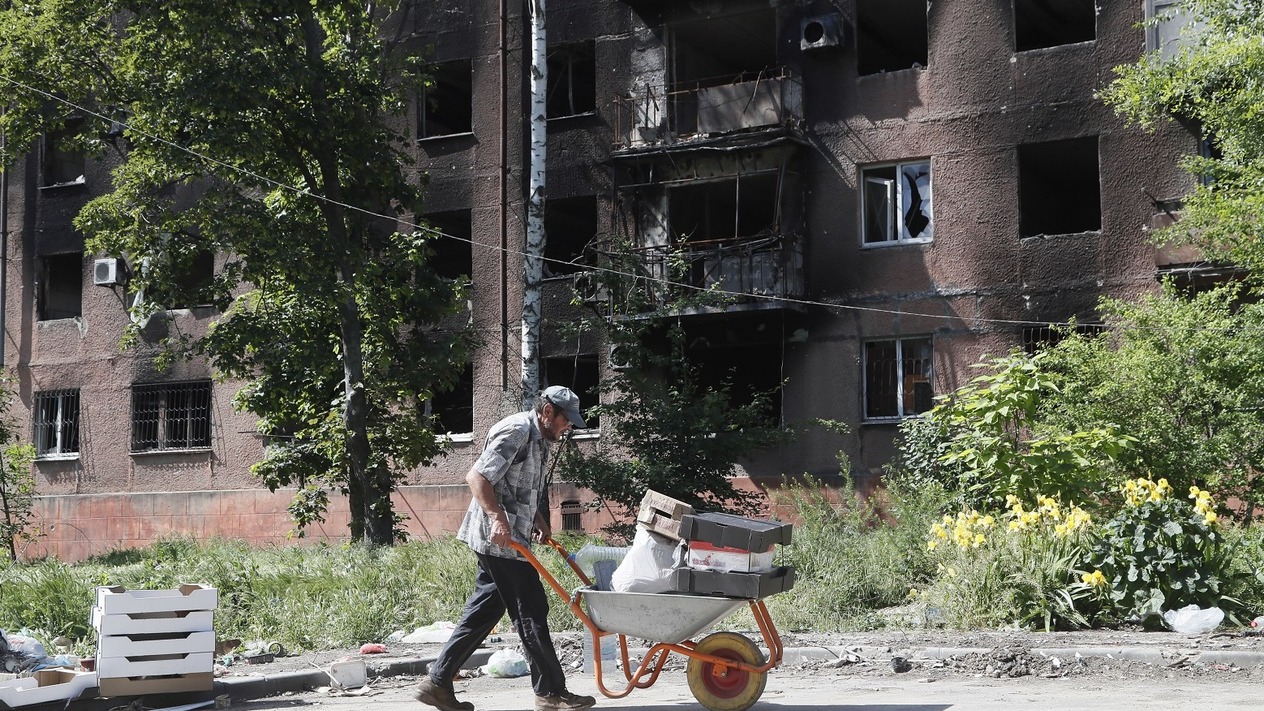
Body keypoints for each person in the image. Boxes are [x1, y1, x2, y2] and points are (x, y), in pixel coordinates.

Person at [415, 385, 597, 711]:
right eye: (565, 420)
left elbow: (516, 486)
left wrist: (538, 519)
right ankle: (551, 692)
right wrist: (498, 518)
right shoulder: (517, 432)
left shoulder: (540, 440)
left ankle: (438, 683)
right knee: (532, 610)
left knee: (486, 610)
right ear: (547, 412)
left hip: (511, 538)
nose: (568, 427)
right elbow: (477, 477)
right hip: (499, 540)